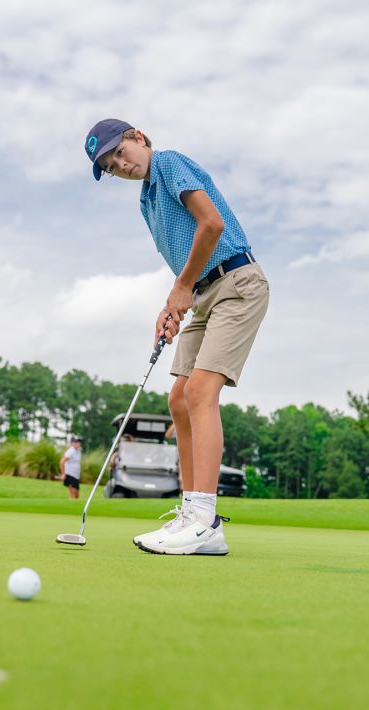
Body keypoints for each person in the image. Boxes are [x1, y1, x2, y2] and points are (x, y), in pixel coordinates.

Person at [84, 119, 270, 555]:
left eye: (120, 152)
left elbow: (211, 225)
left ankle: (206, 521)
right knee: (179, 399)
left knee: (202, 392)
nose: (119, 165)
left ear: (139, 137)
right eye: (110, 166)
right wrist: (173, 305)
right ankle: (190, 512)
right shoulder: (146, 203)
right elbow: (185, 263)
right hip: (205, 293)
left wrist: (181, 289)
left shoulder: (168, 162)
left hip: (238, 282)